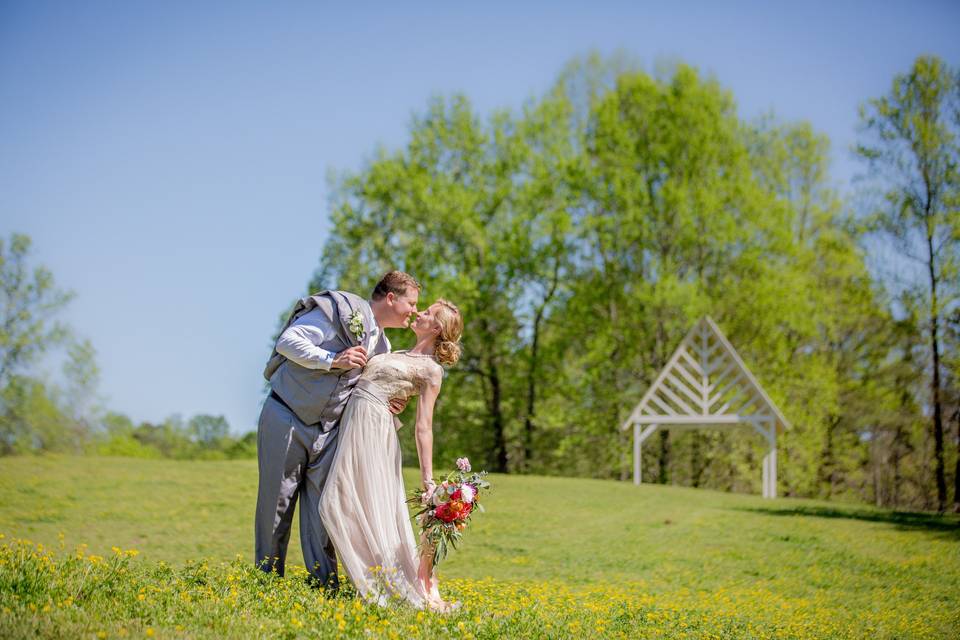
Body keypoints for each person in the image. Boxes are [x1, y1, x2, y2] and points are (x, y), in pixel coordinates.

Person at [254, 271, 420, 591]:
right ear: (390, 298)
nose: (413, 311)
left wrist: (389, 403)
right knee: (277, 503)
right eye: (411, 303)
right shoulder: (343, 311)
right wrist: (332, 359)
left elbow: (362, 394)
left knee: (324, 509)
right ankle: (265, 583)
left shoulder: (382, 345)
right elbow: (288, 341)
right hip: (287, 414)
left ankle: (324, 586)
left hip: (329, 433)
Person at [319, 299, 463, 611]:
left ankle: (375, 587)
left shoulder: (431, 370)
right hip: (356, 420)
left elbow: (424, 428)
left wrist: (429, 481)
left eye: (426, 313)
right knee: (344, 502)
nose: (418, 313)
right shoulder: (394, 352)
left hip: (373, 430)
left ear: (436, 328)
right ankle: (371, 581)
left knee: (335, 501)